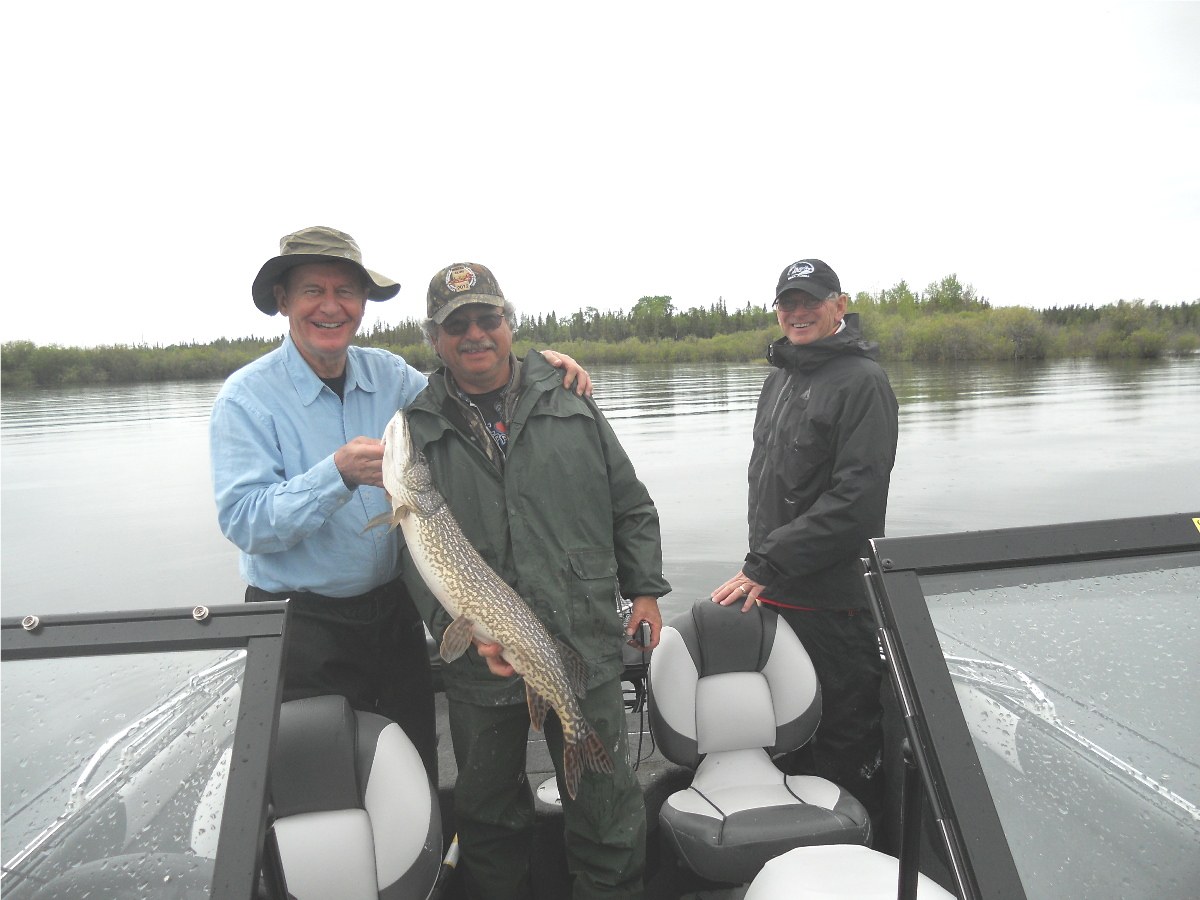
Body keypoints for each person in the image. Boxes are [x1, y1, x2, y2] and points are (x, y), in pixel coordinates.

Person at [209, 227, 591, 784]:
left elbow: (472, 387)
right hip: (299, 626)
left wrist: (542, 371)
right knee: (317, 782)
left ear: (363, 305)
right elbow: (244, 522)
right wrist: (333, 476)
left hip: (392, 619)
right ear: (283, 301)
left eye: (346, 291)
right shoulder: (245, 399)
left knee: (410, 772)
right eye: (313, 290)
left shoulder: (391, 376)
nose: (331, 306)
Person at [401, 261, 670, 900]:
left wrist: (647, 591)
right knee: (490, 821)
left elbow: (630, 505)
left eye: (487, 319)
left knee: (608, 816)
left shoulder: (569, 396)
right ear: (434, 339)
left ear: (509, 323)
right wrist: (450, 624)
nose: (475, 334)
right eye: (456, 324)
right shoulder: (418, 426)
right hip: (479, 666)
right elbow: (414, 557)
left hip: (585, 641)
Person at [712, 258, 899, 828]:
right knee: (786, 742)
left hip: (834, 608)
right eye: (787, 303)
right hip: (775, 593)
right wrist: (764, 570)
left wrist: (767, 562)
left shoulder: (864, 383)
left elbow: (856, 504)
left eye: (810, 302)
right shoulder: (779, 379)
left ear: (839, 306)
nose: (797, 313)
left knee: (841, 748)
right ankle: (791, 858)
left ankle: (851, 866)